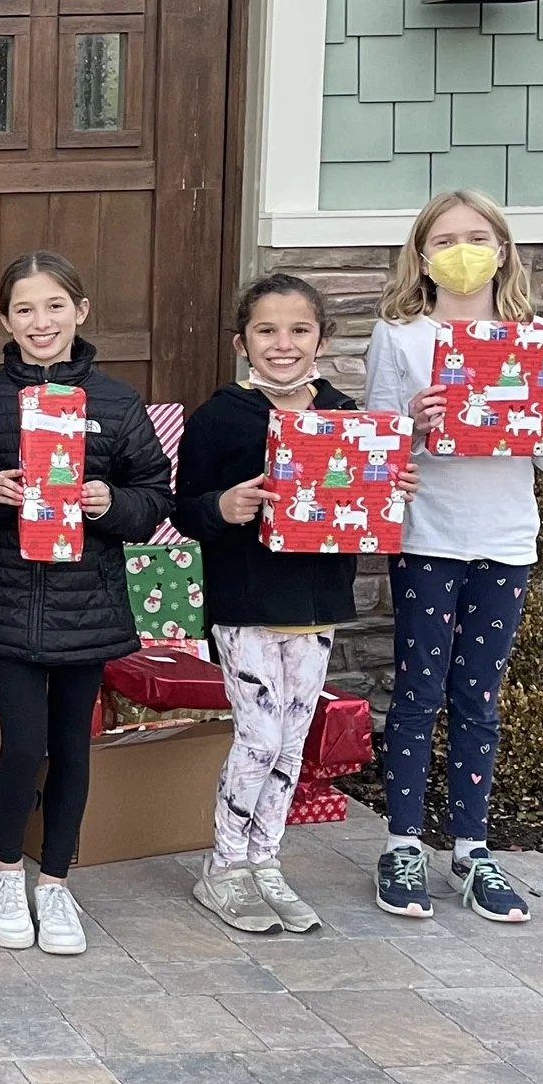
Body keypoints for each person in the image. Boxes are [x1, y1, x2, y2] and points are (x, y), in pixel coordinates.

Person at [363, 190, 543, 923]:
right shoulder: (399, 338)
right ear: (421, 256)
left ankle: (471, 846)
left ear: (503, 249)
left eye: (476, 236)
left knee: (480, 698)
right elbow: (375, 445)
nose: (460, 250)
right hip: (429, 535)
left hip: (505, 537)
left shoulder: (537, 340)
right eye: (443, 239)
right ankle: (403, 841)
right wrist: (415, 423)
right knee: (418, 693)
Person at [0, 253, 172, 957]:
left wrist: (114, 504)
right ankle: (6, 869)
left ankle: (57, 879)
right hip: (11, 602)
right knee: (23, 743)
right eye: (23, 309)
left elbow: (155, 496)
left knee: (73, 745)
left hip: (89, 603)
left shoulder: (115, 400)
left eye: (53, 306)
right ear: (3, 321)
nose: (39, 322)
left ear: (79, 310)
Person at [175, 275, 382, 936]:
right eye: (267, 330)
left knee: (292, 743)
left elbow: (365, 504)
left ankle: (266, 861)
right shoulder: (218, 417)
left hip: (317, 603)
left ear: (322, 338)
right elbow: (186, 510)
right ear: (242, 342)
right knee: (258, 736)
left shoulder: (345, 415)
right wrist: (223, 507)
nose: (283, 343)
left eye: (298, 330)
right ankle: (224, 866)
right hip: (245, 605)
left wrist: (390, 481)